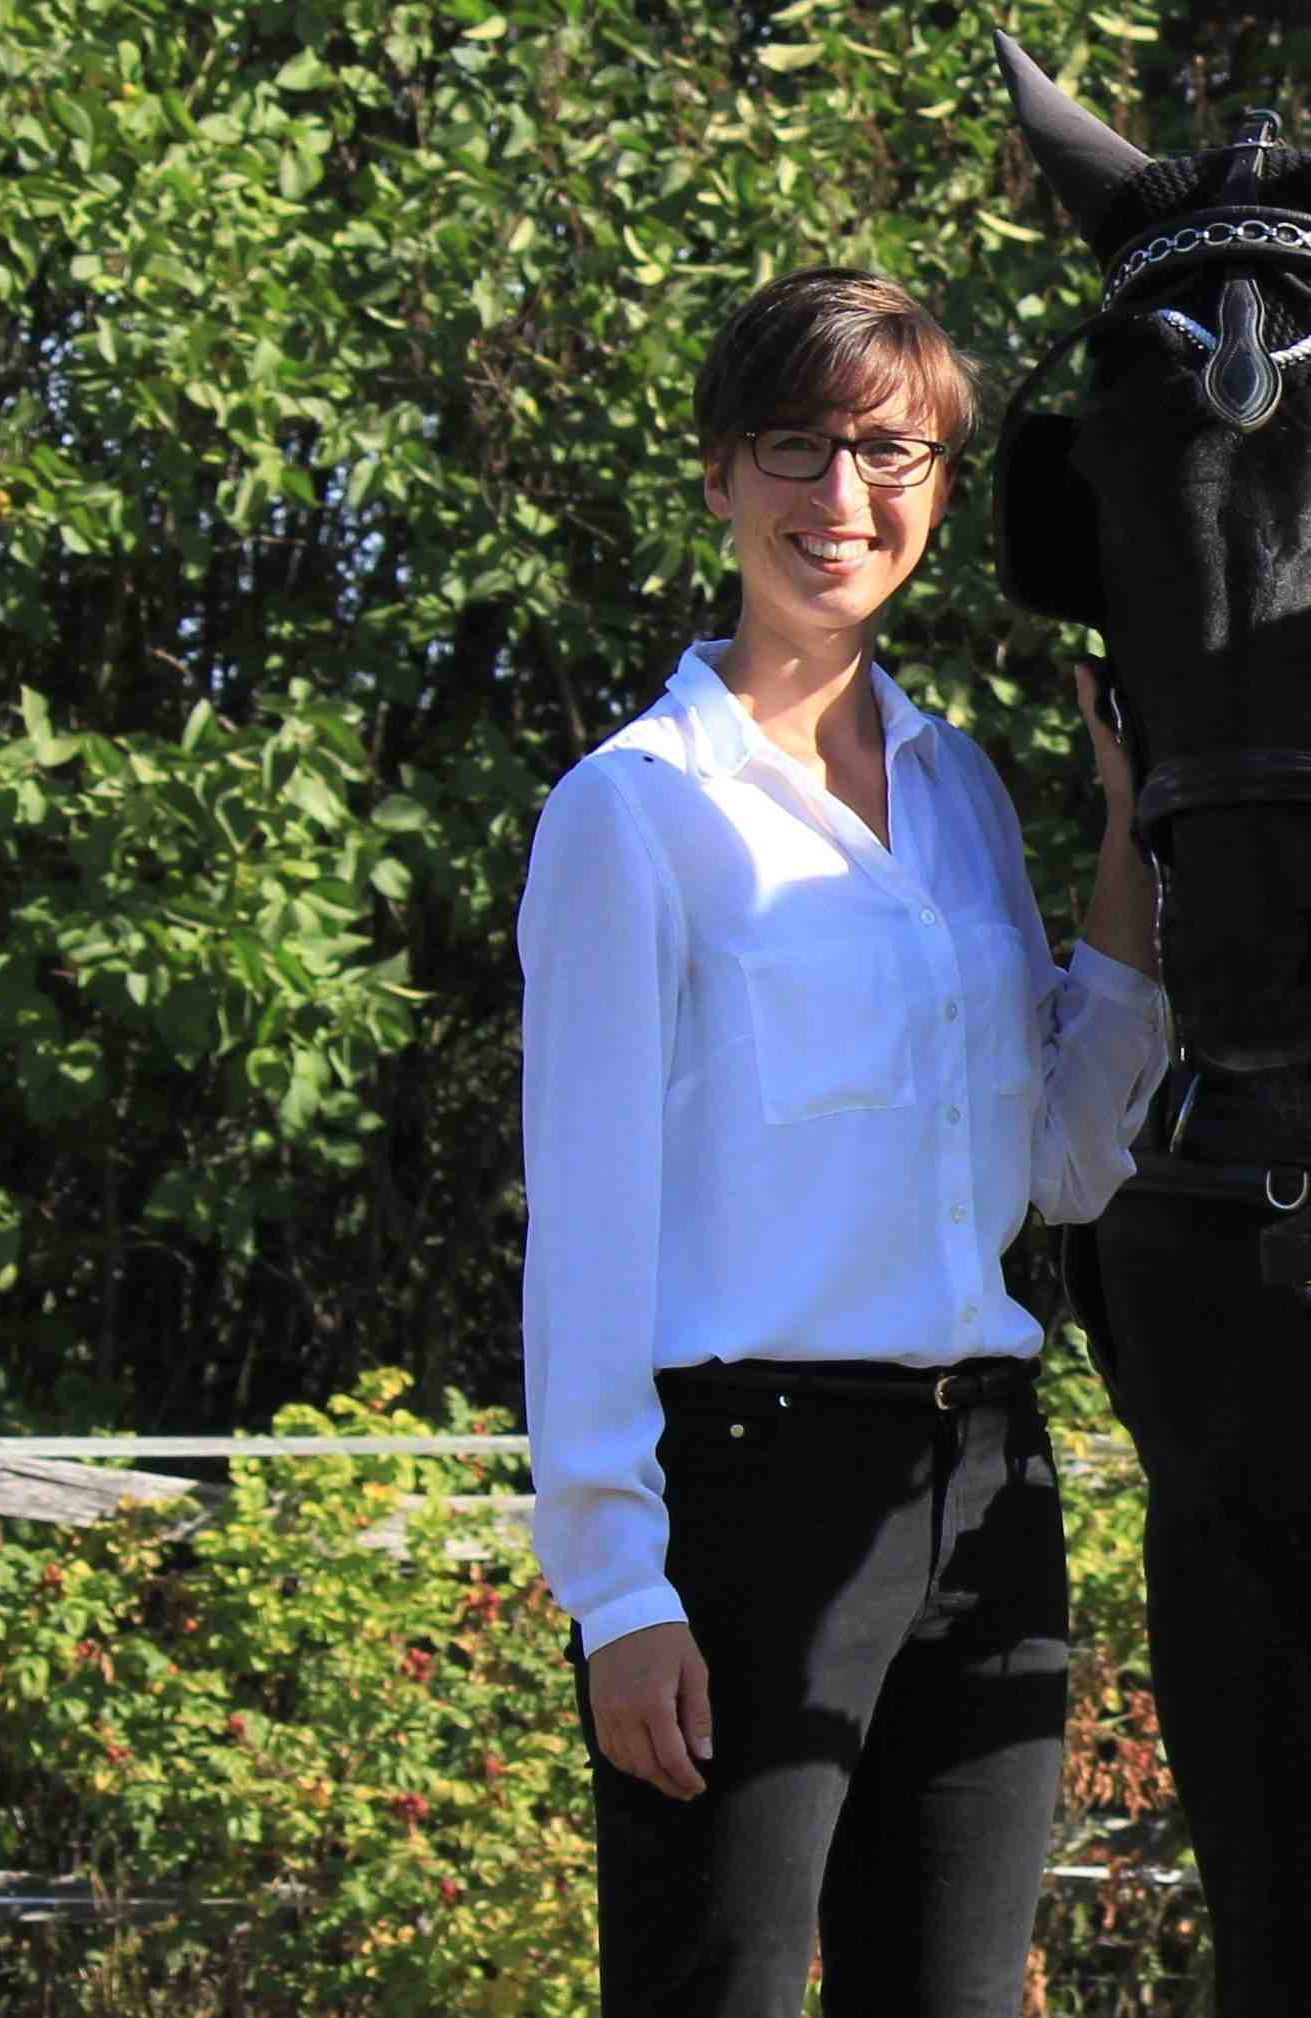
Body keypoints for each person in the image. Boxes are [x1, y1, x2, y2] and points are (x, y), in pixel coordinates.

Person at [517, 266, 1167, 2015]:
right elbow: (582, 1225)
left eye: (892, 452)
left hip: (987, 1485)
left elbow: (1059, 1158)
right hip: (747, 1492)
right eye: (797, 448)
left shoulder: (957, 789)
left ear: (941, 488)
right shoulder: (632, 810)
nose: (844, 498)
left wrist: (1125, 843)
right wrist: (616, 1584)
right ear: (720, 475)